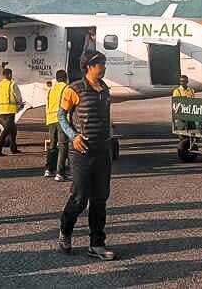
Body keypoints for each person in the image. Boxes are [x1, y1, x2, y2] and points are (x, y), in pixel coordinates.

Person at [57, 50, 116, 261]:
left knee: (100, 199)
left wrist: (110, 132)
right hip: (81, 152)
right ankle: (65, 231)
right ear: (89, 66)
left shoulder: (105, 89)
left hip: (102, 151)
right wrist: (73, 136)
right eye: (101, 64)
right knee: (80, 198)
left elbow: (105, 115)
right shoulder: (74, 89)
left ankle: (97, 244)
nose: (104, 67)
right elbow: (61, 116)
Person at [44, 70, 69, 181]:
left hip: (51, 119)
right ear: (65, 78)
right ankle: (60, 173)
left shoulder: (51, 90)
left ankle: (49, 169)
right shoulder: (66, 88)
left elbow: (47, 105)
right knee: (63, 146)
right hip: (61, 120)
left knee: (52, 145)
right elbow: (68, 104)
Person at [0, 68, 23, 156]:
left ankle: (13, 148)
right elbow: (18, 96)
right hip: (10, 110)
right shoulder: (11, 84)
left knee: (13, 130)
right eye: (11, 74)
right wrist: (20, 104)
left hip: (2, 110)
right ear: (9, 75)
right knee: (6, 130)